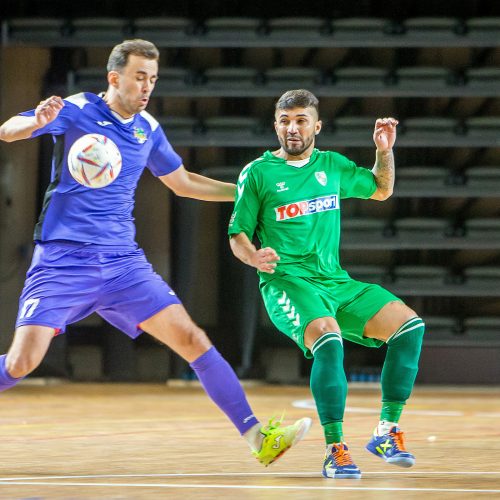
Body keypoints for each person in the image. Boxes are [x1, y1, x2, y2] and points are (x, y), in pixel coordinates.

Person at [0, 40, 311, 466]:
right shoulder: (77, 109)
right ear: (115, 78)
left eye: (153, 79)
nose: (147, 87)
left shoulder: (147, 128)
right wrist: (36, 120)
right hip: (63, 261)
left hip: (123, 264)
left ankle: (259, 438)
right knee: (21, 363)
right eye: (139, 77)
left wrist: (248, 191)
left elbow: (182, 182)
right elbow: (7, 130)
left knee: (193, 339)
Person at [228, 89, 425, 479]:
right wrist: (252, 256)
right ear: (275, 126)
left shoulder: (332, 166)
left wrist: (384, 150)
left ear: (317, 125)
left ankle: (387, 431)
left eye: (301, 120)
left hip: (335, 281)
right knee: (329, 338)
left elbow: (381, 189)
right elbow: (237, 234)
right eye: (285, 121)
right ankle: (335, 449)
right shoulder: (258, 173)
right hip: (287, 282)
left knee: (409, 326)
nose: (292, 128)